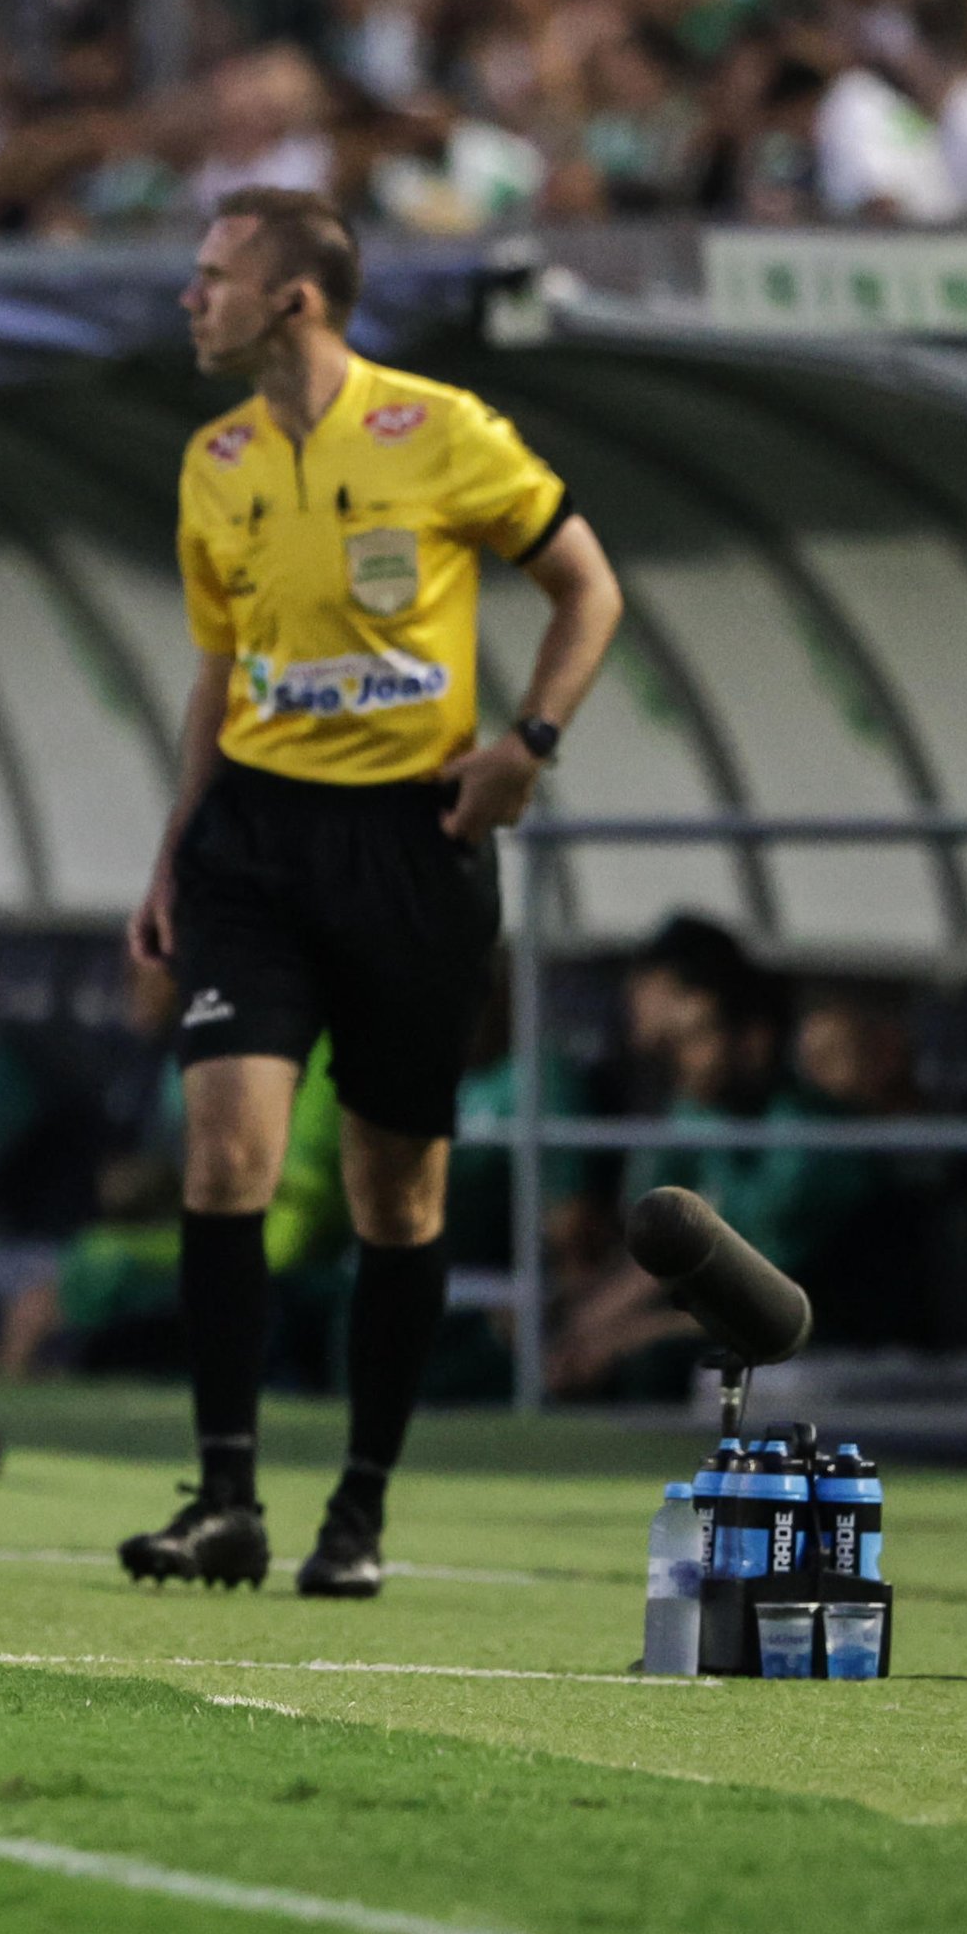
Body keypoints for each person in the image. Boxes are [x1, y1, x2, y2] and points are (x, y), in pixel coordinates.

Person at [122, 188, 625, 1599]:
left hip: (409, 847)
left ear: (293, 300)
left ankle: (358, 1507)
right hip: (254, 847)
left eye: (211, 276)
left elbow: (586, 589)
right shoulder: (209, 459)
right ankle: (222, 1493)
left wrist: (524, 747)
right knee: (222, 1148)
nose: (188, 298)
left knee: (391, 1198)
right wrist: (172, 848)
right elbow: (216, 674)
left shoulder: (440, 431)